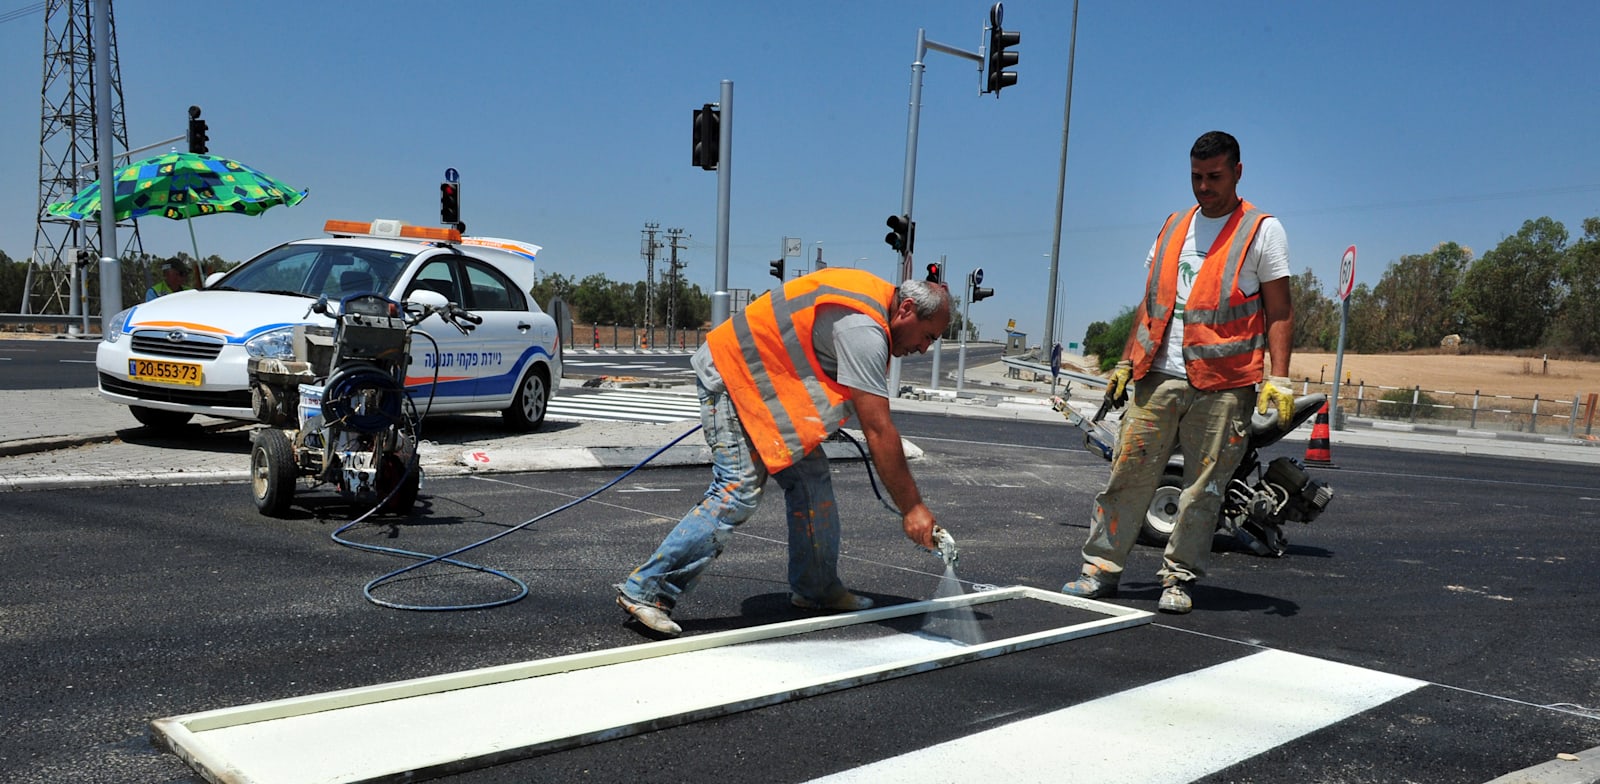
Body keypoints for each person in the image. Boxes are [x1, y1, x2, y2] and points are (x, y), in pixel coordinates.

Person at [616, 268, 950, 637]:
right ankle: (648, 590)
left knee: (811, 480)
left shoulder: (871, 305)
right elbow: (878, 429)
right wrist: (912, 508)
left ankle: (817, 589)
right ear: (906, 309)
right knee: (738, 489)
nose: (924, 348)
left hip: (764, 389)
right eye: (928, 336)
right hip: (732, 375)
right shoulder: (864, 329)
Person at [1060, 130, 1295, 614]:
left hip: (1225, 385)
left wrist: (1280, 376)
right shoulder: (1173, 227)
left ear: (1237, 172)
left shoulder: (1262, 230)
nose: (1204, 187)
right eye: (1196, 177)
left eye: (1214, 177)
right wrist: (1126, 361)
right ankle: (1100, 568)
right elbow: (1151, 304)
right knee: (1127, 475)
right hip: (1158, 376)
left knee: (1203, 489)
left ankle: (1178, 578)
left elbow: (1280, 310)